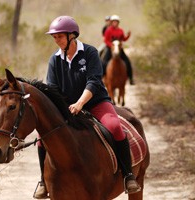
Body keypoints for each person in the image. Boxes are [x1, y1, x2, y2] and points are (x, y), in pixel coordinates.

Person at [33, 15, 141, 199]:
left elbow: (93, 81)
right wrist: (63, 107)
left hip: (96, 102)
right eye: (54, 37)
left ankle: (128, 175)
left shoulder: (89, 53)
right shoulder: (55, 60)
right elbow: (53, 89)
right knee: (41, 137)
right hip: (68, 107)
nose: (56, 40)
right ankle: (43, 181)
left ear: (71, 36)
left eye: (59, 36)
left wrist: (80, 103)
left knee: (115, 127)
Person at [102, 14, 135, 85]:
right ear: (111, 22)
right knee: (104, 62)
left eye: (116, 22)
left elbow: (123, 39)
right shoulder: (108, 30)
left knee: (127, 61)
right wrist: (112, 46)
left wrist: (128, 36)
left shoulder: (120, 30)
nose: (115, 23)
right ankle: (101, 79)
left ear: (118, 22)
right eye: (114, 22)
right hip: (110, 49)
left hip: (119, 49)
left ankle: (131, 78)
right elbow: (106, 40)